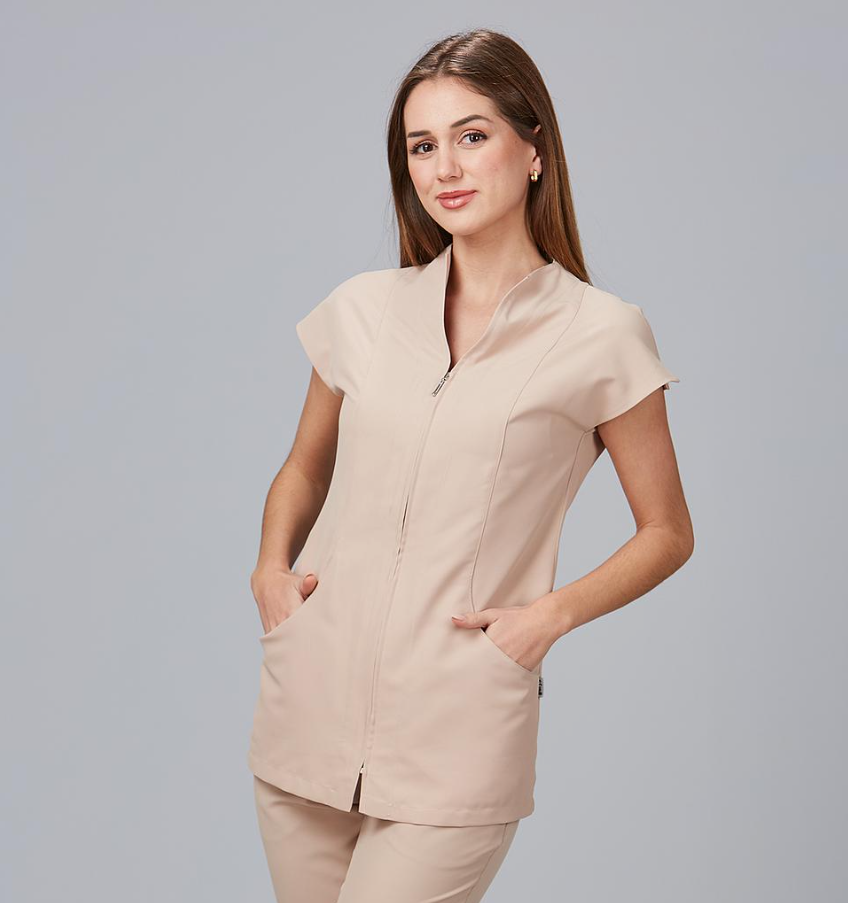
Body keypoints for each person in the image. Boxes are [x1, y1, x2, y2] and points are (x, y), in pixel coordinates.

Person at [247, 28, 693, 903]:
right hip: (307, 710)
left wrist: (546, 618)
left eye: (472, 135)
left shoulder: (601, 333)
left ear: (534, 148)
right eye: (422, 145)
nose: (444, 166)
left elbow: (667, 531)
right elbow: (302, 468)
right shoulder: (362, 309)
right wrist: (270, 572)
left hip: (457, 728)